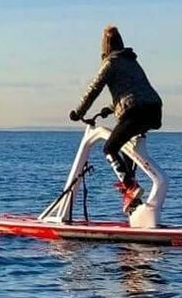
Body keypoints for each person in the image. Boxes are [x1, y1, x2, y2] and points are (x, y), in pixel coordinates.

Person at [69, 25, 164, 208]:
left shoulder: (110, 63)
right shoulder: (131, 61)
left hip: (135, 111)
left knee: (110, 148)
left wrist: (79, 112)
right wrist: (111, 108)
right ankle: (133, 199)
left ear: (104, 46)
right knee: (129, 148)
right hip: (153, 109)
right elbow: (135, 91)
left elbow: (93, 89)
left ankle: (129, 187)